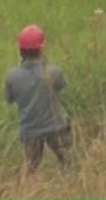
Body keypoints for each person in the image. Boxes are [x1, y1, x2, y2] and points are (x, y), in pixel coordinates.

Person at [5, 25, 72, 175]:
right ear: (41, 48)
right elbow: (61, 87)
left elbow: (9, 100)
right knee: (68, 163)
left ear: (20, 49)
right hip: (56, 127)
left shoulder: (12, 76)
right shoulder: (53, 71)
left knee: (31, 170)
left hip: (30, 131)